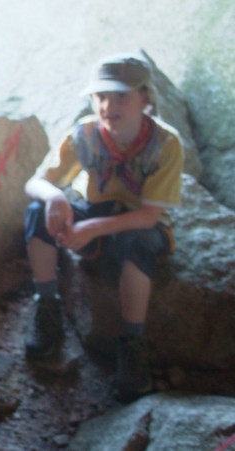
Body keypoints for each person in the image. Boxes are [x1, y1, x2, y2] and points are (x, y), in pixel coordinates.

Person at [23, 53, 183, 402]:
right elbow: (35, 183)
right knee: (38, 213)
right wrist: (54, 197)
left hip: (134, 222)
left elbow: (148, 217)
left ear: (146, 98)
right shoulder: (84, 135)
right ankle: (46, 304)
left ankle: (131, 343)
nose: (108, 106)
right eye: (100, 96)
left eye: (121, 96)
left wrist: (93, 229)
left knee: (140, 241)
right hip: (95, 211)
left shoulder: (165, 145)